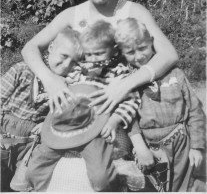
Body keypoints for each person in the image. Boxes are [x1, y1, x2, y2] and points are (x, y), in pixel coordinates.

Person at [21, 0, 178, 115]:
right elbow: (30, 47)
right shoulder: (71, 15)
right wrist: (50, 79)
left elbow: (169, 54)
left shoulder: (133, 11)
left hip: (127, 103)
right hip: (81, 103)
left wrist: (125, 85)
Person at [26, 20, 142, 192]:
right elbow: (63, 99)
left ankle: (114, 184)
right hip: (66, 128)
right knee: (34, 170)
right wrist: (50, 122)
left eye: (99, 54)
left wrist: (114, 121)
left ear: (114, 51)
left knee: (100, 177)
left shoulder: (119, 74)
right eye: (88, 55)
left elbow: (131, 101)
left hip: (95, 130)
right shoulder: (77, 71)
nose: (93, 60)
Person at [114, 17, 205, 192]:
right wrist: (140, 149)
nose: (139, 56)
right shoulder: (127, 81)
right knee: (154, 188)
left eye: (142, 48)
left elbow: (195, 110)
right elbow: (128, 119)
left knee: (188, 187)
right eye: (131, 52)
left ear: (151, 43)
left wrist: (197, 146)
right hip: (149, 148)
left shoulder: (175, 74)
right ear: (122, 52)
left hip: (182, 144)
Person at [0, 27, 82, 190]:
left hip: (32, 142)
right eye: (64, 56)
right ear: (51, 48)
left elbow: (64, 116)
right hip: (3, 132)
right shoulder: (22, 70)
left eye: (73, 61)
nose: (66, 65)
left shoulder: (67, 86)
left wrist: (47, 124)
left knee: (24, 183)